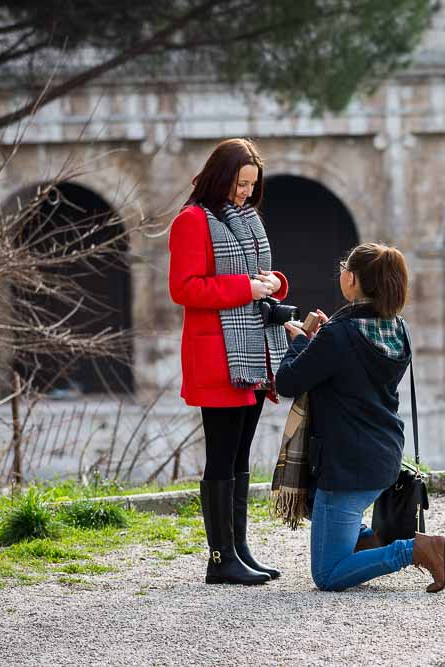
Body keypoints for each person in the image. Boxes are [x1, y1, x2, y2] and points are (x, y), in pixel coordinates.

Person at [275, 243, 445, 593]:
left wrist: (300, 343)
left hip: (347, 466)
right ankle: (368, 546)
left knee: (327, 575)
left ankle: (418, 550)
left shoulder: (338, 337)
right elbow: (352, 359)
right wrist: (324, 338)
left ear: (353, 279)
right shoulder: (397, 328)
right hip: (383, 455)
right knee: (320, 509)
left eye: (344, 266)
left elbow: (288, 382)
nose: (341, 271)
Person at [168, 138, 289, 586]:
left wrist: (272, 282)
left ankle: (238, 551)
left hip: (253, 352)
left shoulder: (247, 218)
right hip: (218, 355)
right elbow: (185, 289)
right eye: (240, 184)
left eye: (251, 185)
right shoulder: (191, 222)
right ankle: (219, 559)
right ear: (221, 176)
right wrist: (247, 289)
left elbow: (260, 277)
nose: (245, 193)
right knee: (222, 456)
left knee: (241, 456)